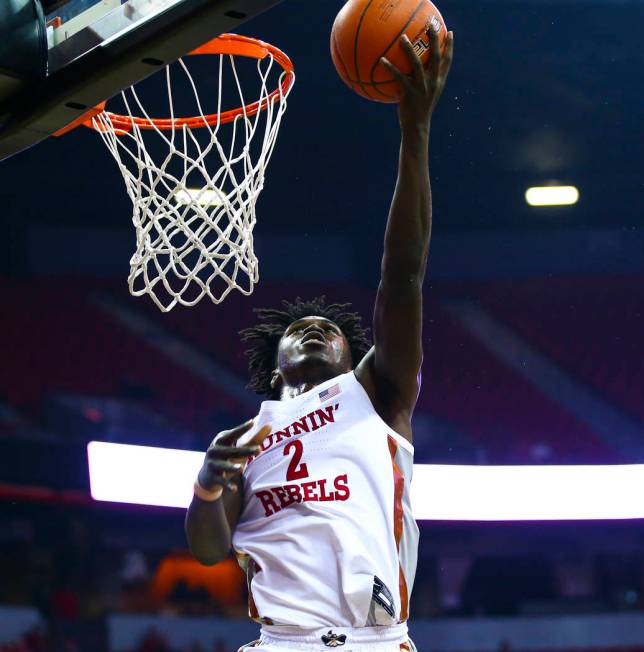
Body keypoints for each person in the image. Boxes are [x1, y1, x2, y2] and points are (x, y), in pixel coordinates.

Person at [185, 27, 454, 652]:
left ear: (348, 356)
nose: (314, 330)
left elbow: (403, 274)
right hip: (279, 641)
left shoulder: (377, 393)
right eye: (299, 330)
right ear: (274, 360)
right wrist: (206, 483)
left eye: (331, 331)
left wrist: (414, 132)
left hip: (375, 640)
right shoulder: (245, 441)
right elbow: (206, 552)